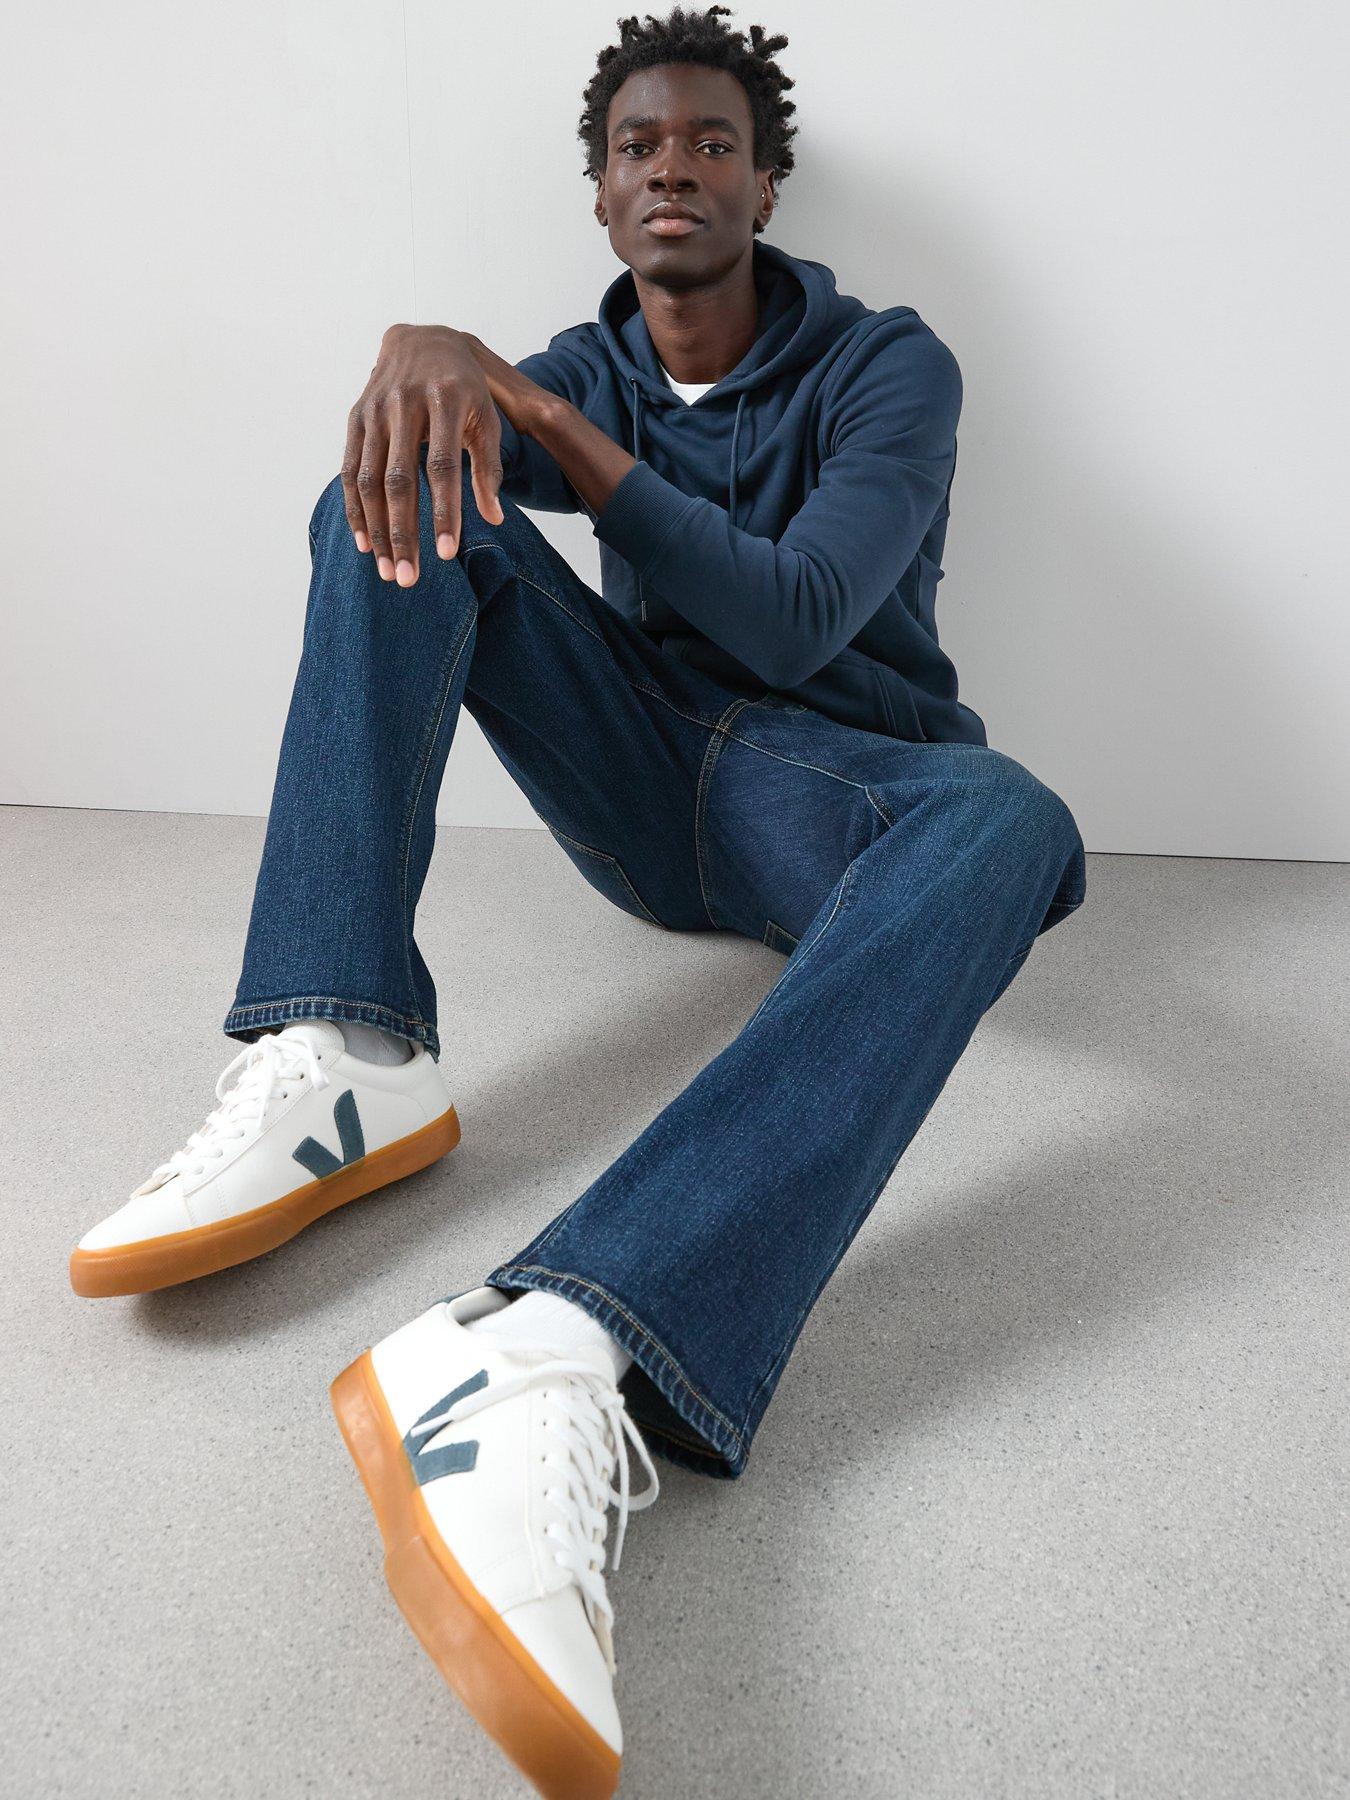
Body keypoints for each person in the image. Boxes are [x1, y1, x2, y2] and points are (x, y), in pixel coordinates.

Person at [69, 7, 1087, 1796]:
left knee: (1014, 822)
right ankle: (341, 1049)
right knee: (395, 491)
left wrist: (533, 410)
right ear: (601, 196)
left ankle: (560, 1341)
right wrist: (428, 359)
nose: (671, 169)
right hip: (644, 786)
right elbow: (445, 476)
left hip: (841, 804)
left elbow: (795, 618)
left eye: (709, 143)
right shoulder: (585, 367)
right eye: (637, 148)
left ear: (762, 185)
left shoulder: (887, 366)